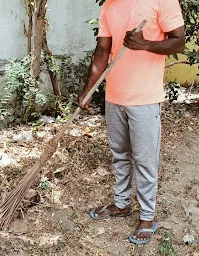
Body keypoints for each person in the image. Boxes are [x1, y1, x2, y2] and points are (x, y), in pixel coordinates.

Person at [78, 0, 185, 245]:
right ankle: (121, 204)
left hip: (145, 99)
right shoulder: (109, 6)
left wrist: (145, 44)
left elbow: (179, 40)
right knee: (119, 154)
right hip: (114, 97)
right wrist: (88, 89)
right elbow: (102, 51)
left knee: (145, 159)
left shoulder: (162, 1)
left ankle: (147, 217)